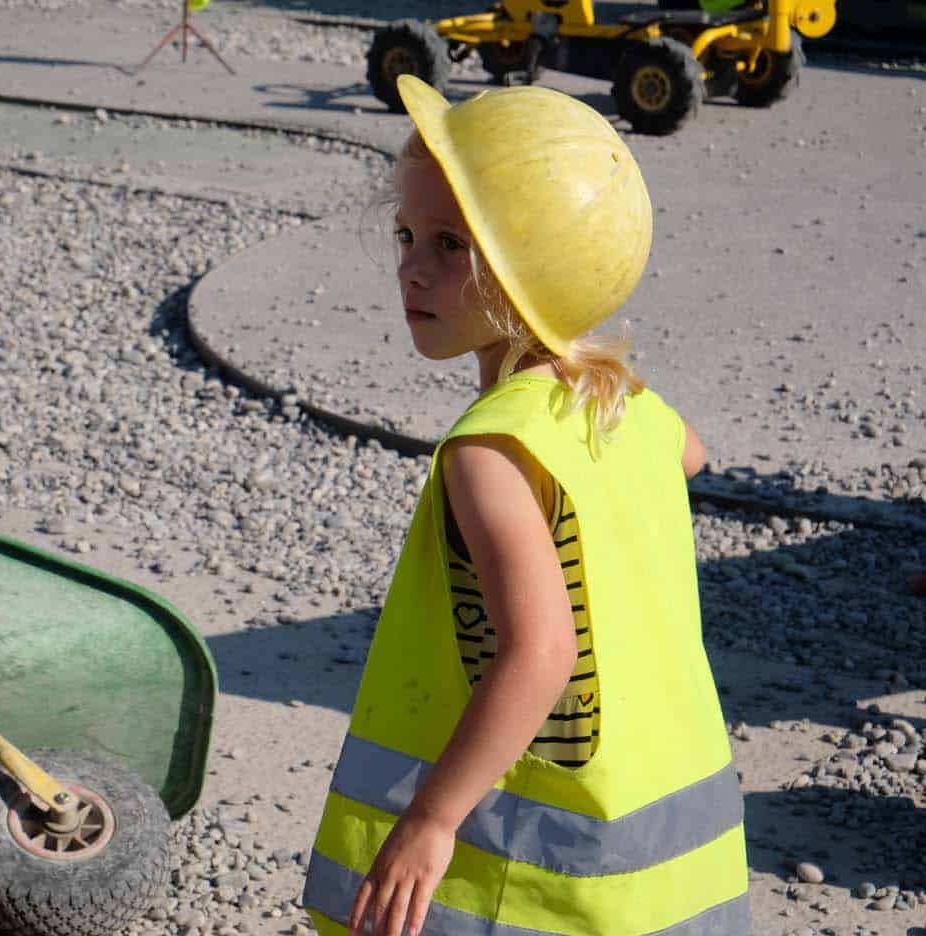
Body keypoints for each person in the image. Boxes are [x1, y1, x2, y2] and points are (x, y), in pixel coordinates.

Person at [301, 77, 749, 936]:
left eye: (449, 244)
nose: (409, 265)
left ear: (528, 273)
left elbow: (541, 654)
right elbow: (689, 455)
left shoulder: (488, 454)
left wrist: (431, 822)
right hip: (671, 860)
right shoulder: (626, 408)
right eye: (405, 234)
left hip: (542, 873)